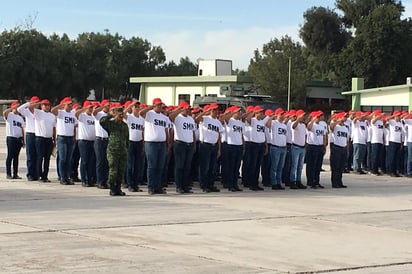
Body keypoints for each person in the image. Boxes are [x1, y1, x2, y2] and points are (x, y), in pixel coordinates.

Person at [140, 98, 170, 195]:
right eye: (158, 105)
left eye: (161, 105)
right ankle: (151, 187)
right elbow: (141, 113)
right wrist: (152, 107)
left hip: (161, 143)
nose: (160, 106)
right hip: (151, 143)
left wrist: (167, 142)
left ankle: (158, 187)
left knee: (160, 166)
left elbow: (166, 129)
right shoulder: (149, 114)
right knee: (152, 166)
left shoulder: (164, 117)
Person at [100, 104, 129, 196]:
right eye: (119, 114)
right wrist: (110, 115)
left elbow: (127, 138)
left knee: (121, 170)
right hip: (113, 150)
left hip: (122, 151)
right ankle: (112, 188)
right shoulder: (111, 124)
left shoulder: (124, 125)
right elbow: (102, 121)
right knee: (113, 169)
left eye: (122, 114)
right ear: (115, 114)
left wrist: (126, 148)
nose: (120, 116)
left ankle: (118, 188)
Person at [195, 103, 224, 192]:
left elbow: (219, 136)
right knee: (205, 166)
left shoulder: (218, 122)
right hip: (205, 145)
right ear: (210, 111)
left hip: (214, 145)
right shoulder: (205, 119)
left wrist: (219, 149)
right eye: (213, 110)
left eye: (216, 110)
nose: (215, 112)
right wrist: (205, 112)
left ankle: (210, 184)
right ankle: (204, 185)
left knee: (212, 167)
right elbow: (196, 119)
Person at [169, 101, 196, 193]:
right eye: (186, 108)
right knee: (179, 166)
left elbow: (192, 132)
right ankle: (179, 186)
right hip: (180, 144)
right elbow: (170, 117)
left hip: (189, 144)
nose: (188, 110)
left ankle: (185, 186)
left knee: (187, 166)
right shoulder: (177, 117)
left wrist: (194, 144)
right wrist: (179, 109)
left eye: (188, 108)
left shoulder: (190, 119)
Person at [51, 97, 77, 185]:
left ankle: (67, 177)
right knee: (63, 158)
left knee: (69, 159)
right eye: (69, 104)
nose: (70, 106)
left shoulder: (73, 114)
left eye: (71, 104)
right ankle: (62, 177)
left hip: (70, 138)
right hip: (62, 138)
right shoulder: (61, 113)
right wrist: (61, 105)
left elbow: (74, 126)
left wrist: (74, 137)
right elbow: (53, 110)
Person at [30, 99, 56, 183]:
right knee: (40, 157)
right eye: (45, 105)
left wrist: (54, 139)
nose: (47, 106)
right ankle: (39, 175)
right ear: (42, 106)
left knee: (47, 158)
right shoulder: (38, 112)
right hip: (40, 138)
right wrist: (38, 103)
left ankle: (45, 175)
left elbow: (54, 128)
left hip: (48, 139)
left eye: (48, 105)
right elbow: (30, 107)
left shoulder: (52, 116)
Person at [245, 105, 267, 191]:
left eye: (262, 112)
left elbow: (263, 134)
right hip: (254, 145)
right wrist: (253, 113)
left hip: (261, 144)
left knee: (258, 165)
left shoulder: (261, 122)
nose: (262, 114)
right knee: (253, 164)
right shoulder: (253, 121)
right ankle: (251, 183)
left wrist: (265, 145)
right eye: (260, 112)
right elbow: (248, 119)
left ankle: (256, 183)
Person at [124, 101, 145, 192]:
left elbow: (143, 131)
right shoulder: (129, 117)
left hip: (139, 142)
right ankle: (130, 184)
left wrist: (143, 143)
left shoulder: (141, 119)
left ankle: (135, 185)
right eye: (135, 106)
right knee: (130, 165)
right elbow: (122, 113)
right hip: (130, 142)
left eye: (138, 106)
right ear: (132, 108)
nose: (137, 108)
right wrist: (130, 105)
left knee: (137, 165)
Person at [17, 96, 40, 181]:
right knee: (30, 155)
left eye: (37, 103)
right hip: (30, 134)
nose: (36, 105)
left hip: (38, 134)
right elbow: (19, 109)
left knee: (37, 155)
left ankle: (36, 173)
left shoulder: (39, 112)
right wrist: (29, 103)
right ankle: (30, 174)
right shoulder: (27, 112)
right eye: (35, 103)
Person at [222, 106, 244, 192]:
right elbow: (223, 118)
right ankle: (230, 184)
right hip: (231, 145)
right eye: (237, 112)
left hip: (239, 145)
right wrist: (231, 112)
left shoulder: (240, 122)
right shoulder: (230, 120)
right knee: (230, 167)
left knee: (236, 167)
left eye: (239, 112)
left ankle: (235, 184)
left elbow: (241, 134)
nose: (239, 113)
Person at [75, 100, 97, 187]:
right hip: (83, 141)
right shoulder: (82, 116)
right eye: (90, 107)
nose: (91, 109)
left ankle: (90, 179)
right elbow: (76, 114)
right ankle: (84, 179)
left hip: (92, 141)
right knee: (84, 161)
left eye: (92, 108)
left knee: (91, 161)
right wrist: (84, 108)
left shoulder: (93, 117)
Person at [265, 107, 287, 190]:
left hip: (282, 148)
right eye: (281, 114)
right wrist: (271, 117)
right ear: (277, 115)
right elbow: (267, 125)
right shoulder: (274, 123)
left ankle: (278, 182)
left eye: (283, 114)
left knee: (280, 167)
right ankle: (274, 183)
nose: (282, 116)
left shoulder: (284, 125)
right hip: (275, 147)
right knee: (274, 166)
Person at [4, 101, 25, 179]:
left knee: (16, 157)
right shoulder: (9, 115)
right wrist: (13, 108)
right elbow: (4, 112)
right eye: (15, 108)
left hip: (18, 138)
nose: (16, 109)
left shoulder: (20, 118)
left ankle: (15, 173)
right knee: (10, 156)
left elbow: (22, 129)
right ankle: (8, 173)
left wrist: (23, 140)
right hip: (11, 138)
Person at [305, 110, 327, 189]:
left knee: (318, 165)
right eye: (317, 117)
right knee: (311, 165)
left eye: (319, 117)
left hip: (319, 146)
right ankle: (310, 181)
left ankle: (316, 181)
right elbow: (308, 128)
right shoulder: (312, 125)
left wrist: (324, 146)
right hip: (312, 146)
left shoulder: (321, 125)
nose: (318, 118)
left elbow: (324, 135)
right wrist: (312, 120)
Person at [93, 99, 110, 189]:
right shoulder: (99, 114)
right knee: (100, 161)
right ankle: (99, 181)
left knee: (107, 162)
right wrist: (102, 106)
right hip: (99, 139)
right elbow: (94, 112)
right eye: (107, 106)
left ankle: (105, 181)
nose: (108, 107)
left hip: (107, 140)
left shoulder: (109, 115)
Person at [329, 112, 349, 188]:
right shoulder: (336, 126)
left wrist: (347, 150)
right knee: (335, 167)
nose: (345, 118)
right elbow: (331, 127)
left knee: (341, 167)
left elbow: (347, 140)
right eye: (344, 117)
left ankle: (339, 182)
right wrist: (337, 120)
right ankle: (334, 182)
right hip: (336, 147)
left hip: (343, 148)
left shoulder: (345, 128)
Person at [290, 109, 307, 189]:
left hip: (302, 147)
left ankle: (298, 180)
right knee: (294, 165)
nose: (303, 117)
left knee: (300, 166)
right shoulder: (294, 123)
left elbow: (305, 135)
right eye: (302, 116)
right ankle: (292, 181)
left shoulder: (303, 125)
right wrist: (297, 119)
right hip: (295, 147)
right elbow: (293, 127)